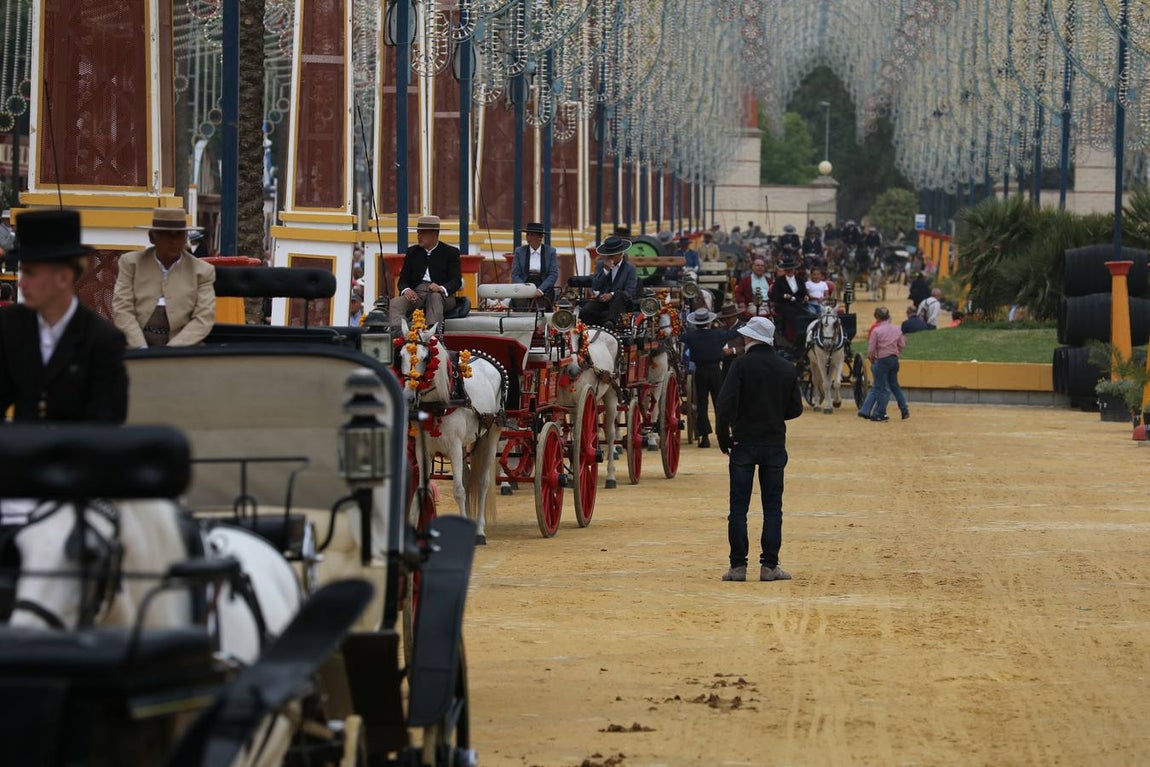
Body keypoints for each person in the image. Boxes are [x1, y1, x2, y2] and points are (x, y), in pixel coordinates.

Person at [0, 208, 128, 423]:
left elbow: (106, 424)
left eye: (30, 273)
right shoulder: (9, 325)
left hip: (77, 454)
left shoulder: (103, 340)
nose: (21, 283)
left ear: (63, 277)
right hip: (21, 453)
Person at [715, 316, 802, 582]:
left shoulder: (739, 365)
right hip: (774, 442)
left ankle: (738, 566)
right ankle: (769, 566)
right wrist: (774, 415)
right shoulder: (787, 368)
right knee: (773, 507)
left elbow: (725, 405)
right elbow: (795, 409)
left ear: (749, 338)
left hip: (743, 442)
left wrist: (723, 438)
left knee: (738, 508)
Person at [113, 208, 216, 349]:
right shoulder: (131, 263)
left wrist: (169, 352)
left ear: (185, 238)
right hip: (135, 347)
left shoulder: (202, 271)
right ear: (152, 237)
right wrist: (141, 349)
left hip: (183, 350)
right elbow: (122, 310)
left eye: (179, 234)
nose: (173, 241)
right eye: (166, 234)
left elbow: (203, 318)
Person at [389, 214, 462, 329]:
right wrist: (407, 290)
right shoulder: (412, 252)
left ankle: (431, 336)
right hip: (416, 295)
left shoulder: (450, 252)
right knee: (395, 303)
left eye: (422, 233)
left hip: (442, 296)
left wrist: (440, 288)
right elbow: (403, 280)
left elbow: (456, 281)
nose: (419, 236)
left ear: (434, 234)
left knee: (435, 298)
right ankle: (399, 334)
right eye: (418, 232)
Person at [858, 307, 909, 421]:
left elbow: (871, 349)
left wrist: (872, 358)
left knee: (882, 388)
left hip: (882, 359)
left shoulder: (876, 331)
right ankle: (904, 409)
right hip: (894, 359)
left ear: (877, 317)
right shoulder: (897, 329)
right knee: (894, 385)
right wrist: (896, 352)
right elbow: (902, 344)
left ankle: (880, 412)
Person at [578, 235, 637, 328]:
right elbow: (596, 286)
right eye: (608, 254)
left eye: (612, 255)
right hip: (603, 300)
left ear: (620, 253)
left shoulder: (630, 268)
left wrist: (612, 295)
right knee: (585, 311)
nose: (609, 257)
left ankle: (610, 323)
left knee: (618, 295)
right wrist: (605, 271)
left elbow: (629, 291)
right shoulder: (601, 265)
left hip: (621, 302)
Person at [510, 221, 559, 307]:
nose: (529, 237)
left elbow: (553, 274)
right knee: (520, 303)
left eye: (532, 235)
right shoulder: (519, 251)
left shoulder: (550, 252)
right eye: (527, 234)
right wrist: (525, 288)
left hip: (543, 284)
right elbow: (515, 274)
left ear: (540, 237)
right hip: (525, 283)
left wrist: (540, 290)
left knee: (541, 306)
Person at [768, 255, 809, 343]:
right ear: (785, 270)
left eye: (791, 269)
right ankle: (793, 338)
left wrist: (805, 296)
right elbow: (775, 295)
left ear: (794, 269)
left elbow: (803, 292)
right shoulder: (779, 280)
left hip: (798, 304)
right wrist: (784, 296)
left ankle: (806, 336)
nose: (790, 271)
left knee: (807, 314)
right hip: (783, 304)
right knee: (791, 314)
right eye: (787, 269)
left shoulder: (799, 279)